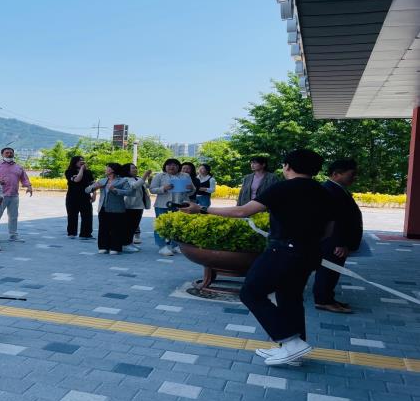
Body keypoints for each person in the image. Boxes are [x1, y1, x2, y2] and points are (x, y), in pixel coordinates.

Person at [181, 149, 334, 366]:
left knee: (251, 293)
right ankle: (292, 352)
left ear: (287, 166)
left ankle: (291, 342)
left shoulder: (282, 188)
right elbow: (329, 229)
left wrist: (202, 210)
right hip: (309, 253)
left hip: (282, 251)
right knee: (290, 297)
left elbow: (242, 211)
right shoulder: (324, 192)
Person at [313, 159, 362, 314]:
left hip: (338, 241)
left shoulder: (338, 189)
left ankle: (328, 298)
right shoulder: (329, 190)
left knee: (333, 271)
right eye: (352, 174)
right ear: (336, 174)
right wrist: (339, 242)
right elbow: (335, 219)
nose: (355, 178)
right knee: (328, 270)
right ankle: (323, 300)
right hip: (333, 242)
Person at [149, 158, 194, 256]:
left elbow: (192, 191)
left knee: (178, 226)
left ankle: (176, 246)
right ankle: (162, 247)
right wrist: (163, 188)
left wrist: (191, 188)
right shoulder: (160, 176)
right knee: (161, 226)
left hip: (180, 204)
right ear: (165, 166)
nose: (171, 167)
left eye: (174, 165)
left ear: (179, 167)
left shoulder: (185, 176)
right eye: (169, 165)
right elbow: (152, 189)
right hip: (163, 205)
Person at [86, 163, 132, 255]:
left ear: (112, 170)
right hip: (103, 208)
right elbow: (87, 190)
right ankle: (103, 247)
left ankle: (115, 247)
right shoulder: (102, 180)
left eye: (107, 168)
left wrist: (115, 190)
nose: (105, 169)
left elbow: (129, 192)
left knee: (116, 229)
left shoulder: (122, 181)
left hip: (117, 209)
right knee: (103, 228)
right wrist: (94, 187)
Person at [0, 147, 33, 241]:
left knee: (13, 216)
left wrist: (28, 186)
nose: (9, 154)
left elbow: (24, 178)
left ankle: (13, 235)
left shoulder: (18, 166)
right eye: (7, 153)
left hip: (14, 196)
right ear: (2, 154)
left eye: (11, 153)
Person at [122, 163, 151, 252]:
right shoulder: (125, 179)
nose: (135, 170)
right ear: (127, 170)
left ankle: (130, 243)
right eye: (133, 168)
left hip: (139, 205)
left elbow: (145, 186)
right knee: (128, 226)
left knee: (134, 226)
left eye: (136, 168)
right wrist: (145, 175)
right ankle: (125, 244)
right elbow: (134, 186)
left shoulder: (137, 178)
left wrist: (149, 180)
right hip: (129, 206)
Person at [64, 156, 95, 239]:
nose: (82, 162)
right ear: (74, 162)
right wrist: (82, 169)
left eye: (83, 160)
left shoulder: (88, 172)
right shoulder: (69, 171)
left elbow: (92, 184)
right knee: (72, 215)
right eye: (80, 161)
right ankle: (72, 233)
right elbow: (77, 179)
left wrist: (94, 194)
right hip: (72, 197)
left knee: (87, 216)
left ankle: (86, 233)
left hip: (85, 197)